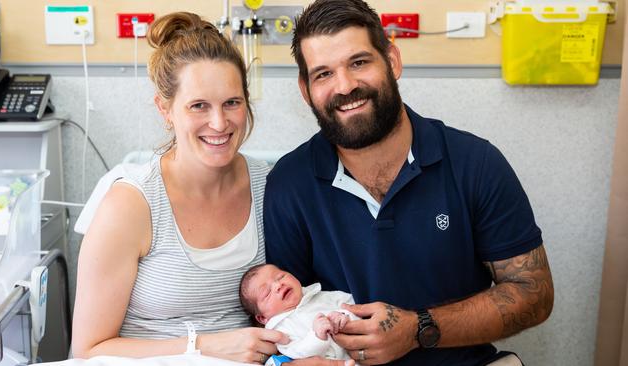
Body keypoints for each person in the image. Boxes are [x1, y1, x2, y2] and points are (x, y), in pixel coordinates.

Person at [263, 0, 555, 365]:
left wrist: (419, 329)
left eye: (359, 62)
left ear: (392, 61)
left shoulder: (475, 163)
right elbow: (281, 314)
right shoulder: (289, 185)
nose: (346, 86)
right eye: (323, 74)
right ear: (306, 90)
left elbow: (534, 294)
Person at [71, 12, 288, 364]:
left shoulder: (272, 188)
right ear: (165, 108)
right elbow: (87, 351)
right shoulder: (131, 206)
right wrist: (203, 346)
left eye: (231, 103)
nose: (219, 123)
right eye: (198, 106)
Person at [240, 264, 358, 361]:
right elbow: (298, 353)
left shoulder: (320, 296)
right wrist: (317, 337)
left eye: (281, 276)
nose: (278, 285)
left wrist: (345, 315)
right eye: (267, 293)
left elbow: (354, 304)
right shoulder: (280, 331)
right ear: (262, 318)